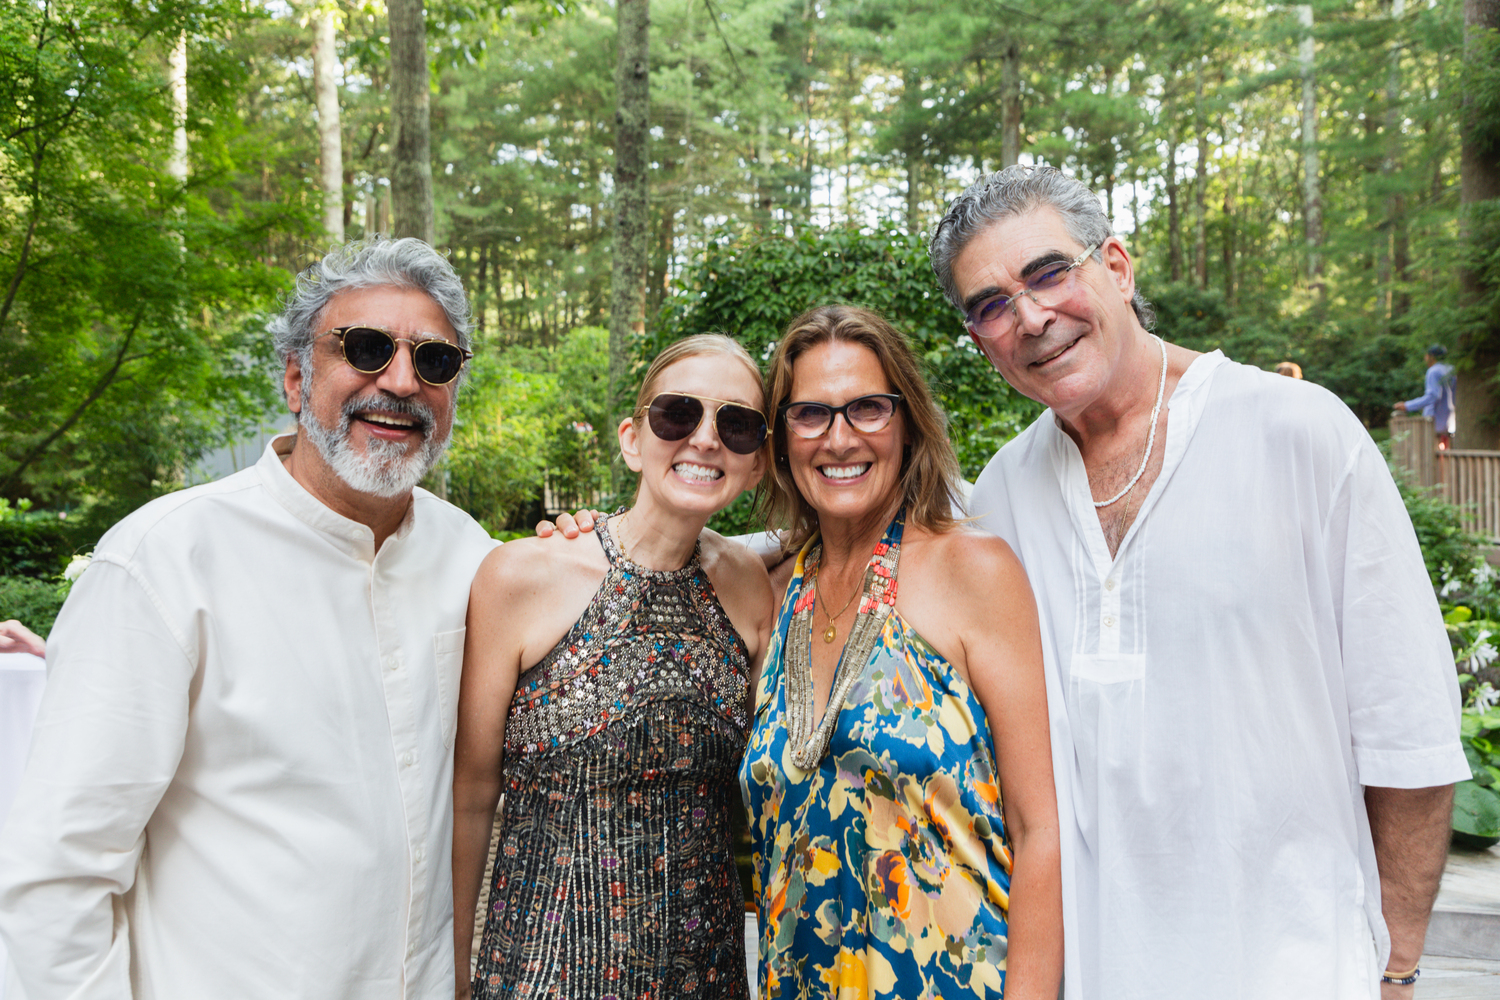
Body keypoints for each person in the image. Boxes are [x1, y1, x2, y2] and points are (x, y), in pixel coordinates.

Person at [928, 165, 1469, 999]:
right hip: (1096, 975)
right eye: (992, 305)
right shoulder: (1003, 495)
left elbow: (1410, 730)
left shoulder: (1299, 433)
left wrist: (1396, 967)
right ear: (979, 341)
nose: (1031, 317)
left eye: (1048, 272)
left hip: (1299, 967)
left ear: (1117, 265)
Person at [0, 237, 498, 999]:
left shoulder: (473, 561)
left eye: (434, 361)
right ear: (298, 376)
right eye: (365, 349)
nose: (400, 381)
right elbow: (56, 875)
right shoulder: (163, 561)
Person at [741, 305, 1061, 998]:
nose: (840, 438)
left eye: (867, 409)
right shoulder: (770, 596)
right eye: (811, 415)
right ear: (780, 437)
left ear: (908, 420)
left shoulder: (973, 571)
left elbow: (1045, 833)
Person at [452, 335, 776, 999]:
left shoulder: (746, 584)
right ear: (633, 439)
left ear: (759, 461)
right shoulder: (522, 575)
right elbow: (471, 795)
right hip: (544, 973)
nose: (705, 439)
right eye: (678, 415)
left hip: (706, 976)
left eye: (736, 424)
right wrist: (454, 968)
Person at [1394, 344, 1457, 449]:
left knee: (1431, 453)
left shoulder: (1433, 371)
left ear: (1431, 357)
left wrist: (1408, 406)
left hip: (1434, 421)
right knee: (1447, 454)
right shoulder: (1452, 370)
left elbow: (1433, 396)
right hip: (1451, 420)